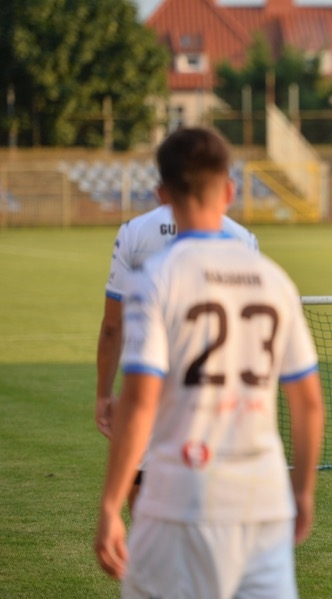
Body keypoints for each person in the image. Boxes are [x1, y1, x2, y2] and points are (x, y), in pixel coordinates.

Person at [94, 127, 325, 598]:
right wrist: (301, 491)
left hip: (178, 499)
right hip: (262, 502)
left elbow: (139, 404)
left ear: (162, 195)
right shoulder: (275, 280)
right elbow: (308, 404)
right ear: (229, 190)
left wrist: (111, 504)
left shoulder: (153, 280)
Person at [95, 166, 258, 515]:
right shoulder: (242, 238)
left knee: (142, 476)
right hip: (219, 385)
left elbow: (113, 326)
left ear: (162, 190)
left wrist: (104, 393)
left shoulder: (135, 231)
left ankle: (149, 550)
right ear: (227, 189)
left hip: (150, 381)